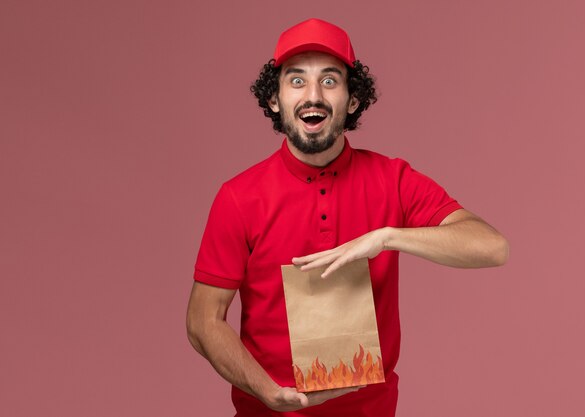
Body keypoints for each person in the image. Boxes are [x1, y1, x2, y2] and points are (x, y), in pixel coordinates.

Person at [186, 18, 509, 417]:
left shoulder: (392, 179)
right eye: (297, 80)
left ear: (352, 99)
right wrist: (267, 392)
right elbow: (203, 320)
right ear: (275, 98)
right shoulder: (238, 197)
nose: (313, 95)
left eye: (330, 80)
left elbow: (492, 247)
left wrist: (387, 237)